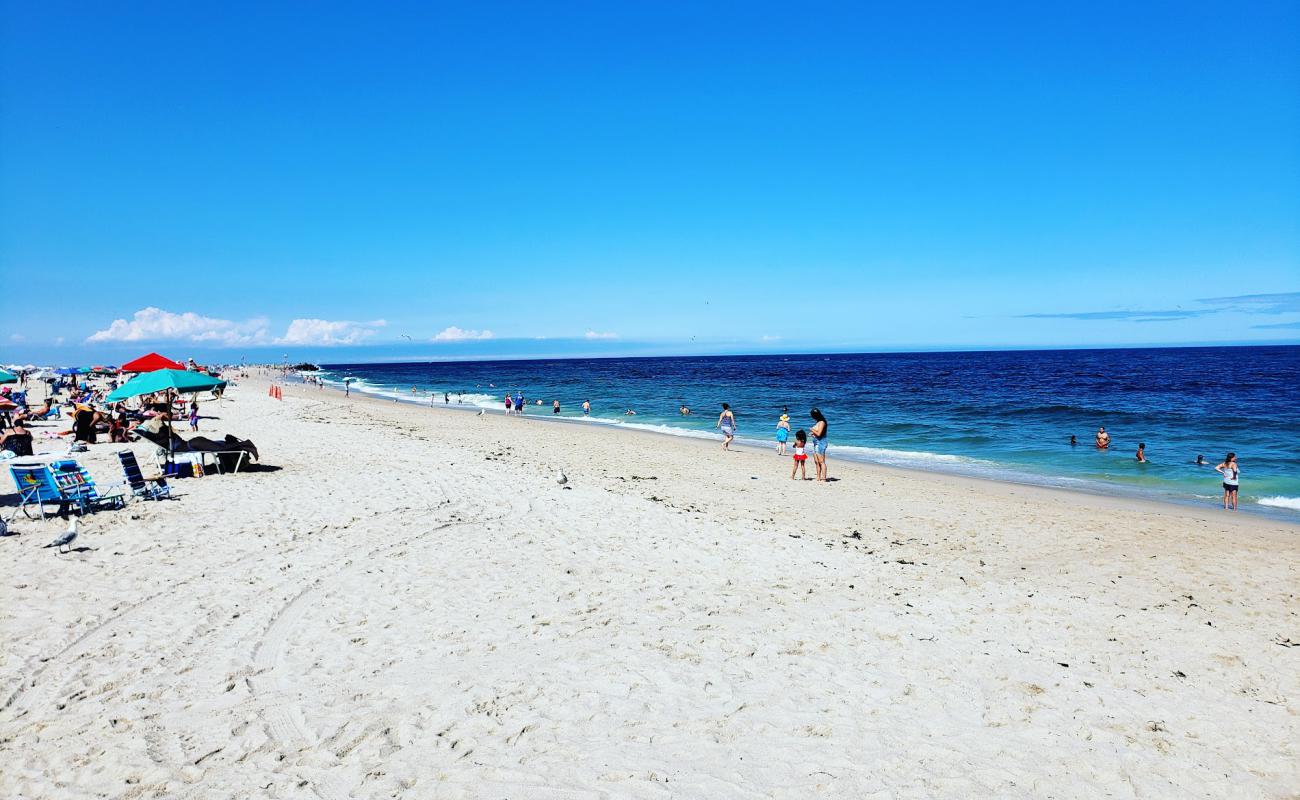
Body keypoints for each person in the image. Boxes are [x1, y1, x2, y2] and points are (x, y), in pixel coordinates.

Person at [809, 407, 829, 482]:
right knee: (816, 461)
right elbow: (817, 433)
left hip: (821, 442)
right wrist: (812, 433)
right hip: (816, 442)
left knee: (821, 461)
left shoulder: (822, 422)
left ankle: (824, 478)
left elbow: (819, 433)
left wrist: (812, 429)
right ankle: (818, 477)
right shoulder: (818, 422)